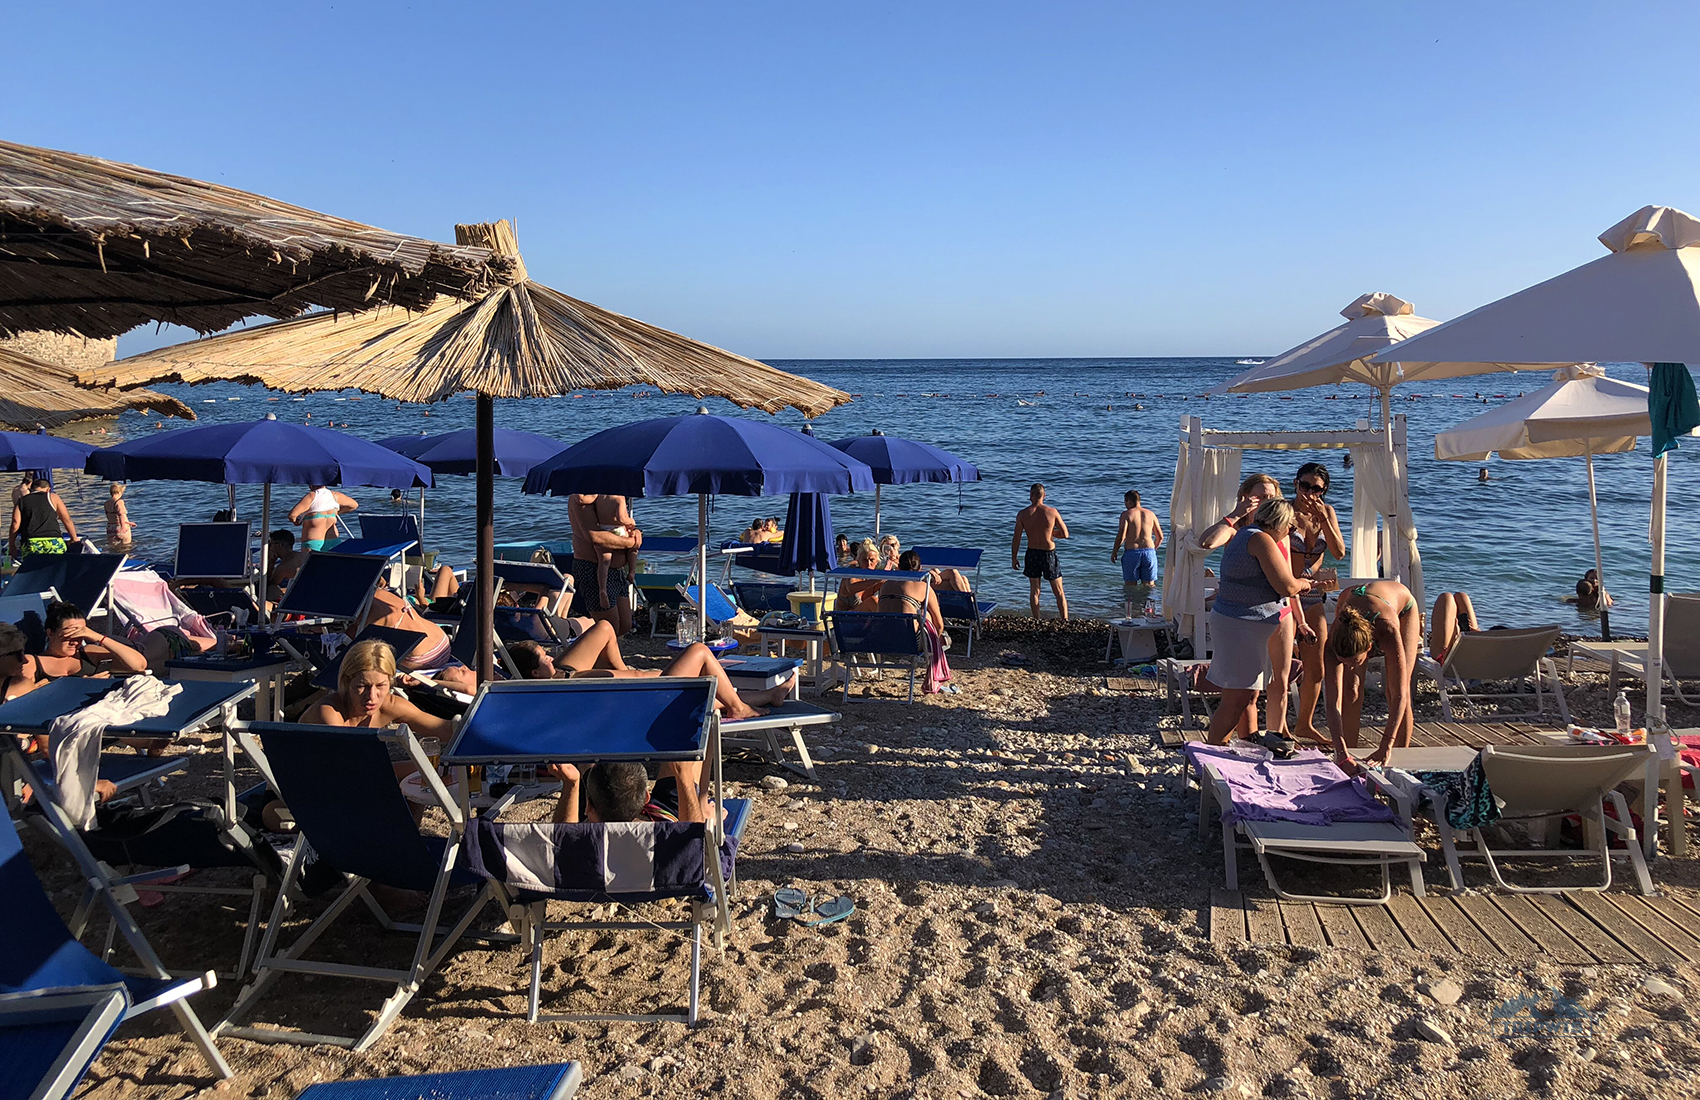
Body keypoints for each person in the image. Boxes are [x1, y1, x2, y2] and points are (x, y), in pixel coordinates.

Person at [1204, 499, 1312, 747]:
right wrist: (1306, 584)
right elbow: (1285, 586)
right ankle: (1213, 755)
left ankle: (1230, 749)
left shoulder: (1245, 534)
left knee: (1247, 693)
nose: (1290, 533)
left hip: (1239, 623)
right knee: (1236, 699)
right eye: (1291, 528)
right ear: (1281, 522)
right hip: (1240, 625)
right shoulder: (1261, 539)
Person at [507, 635, 794, 717]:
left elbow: (605, 628)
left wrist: (622, 669)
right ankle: (738, 707)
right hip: (651, 699)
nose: (550, 655)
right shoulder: (565, 690)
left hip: (647, 684)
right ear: (534, 673)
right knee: (700, 651)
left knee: (604, 626)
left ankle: (770, 695)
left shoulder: (561, 672)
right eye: (544, 657)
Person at [1323, 578, 1422, 769]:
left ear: (1370, 648)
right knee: (1351, 690)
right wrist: (1341, 752)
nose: (1350, 667)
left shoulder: (1387, 629)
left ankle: (1400, 758)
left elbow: (1401, 694)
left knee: (1395, 693)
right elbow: (1332, 702)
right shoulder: (1333, 642)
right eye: (1345, 663)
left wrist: (1385, 745)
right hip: (1351, 611)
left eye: (1354, 662)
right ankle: (1348, 755)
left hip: (1401, 608)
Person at [1288, 463, 1345, 741]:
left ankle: (1304, 723)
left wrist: (1324, 520)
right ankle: (1279, 725)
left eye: (1317, 488)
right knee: (1281, 663)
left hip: (1312, 592)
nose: (1309, 492)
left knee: (1317, 666)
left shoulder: (1327, 513)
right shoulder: (1285, 512)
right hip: (1284, 590)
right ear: (1295, 484)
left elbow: (1339, 552)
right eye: (1305, 485)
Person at [359, 584, 478, 695]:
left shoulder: (483, 688)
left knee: (379, 606)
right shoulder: (489, 675)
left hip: (427, 654)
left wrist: (423, 681)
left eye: (463, 672)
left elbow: (469, 689)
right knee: (380, 604)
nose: (463, 667)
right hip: (431, 652)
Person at [545, 758, 709, 825]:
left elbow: (561, 842)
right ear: (646, 798)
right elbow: (693, 841)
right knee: (686, 753)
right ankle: (703, 804)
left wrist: (571, 785)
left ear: (588, 806)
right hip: (662, 818)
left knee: (593, 769)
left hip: (599, 815)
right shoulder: (666, 837)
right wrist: (684, 777)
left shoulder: (584, 842)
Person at [879, 549, 955, 692]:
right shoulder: (923, 587)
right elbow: (939, 625)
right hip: (909, 642)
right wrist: (935, 642)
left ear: (899, 567)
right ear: (920, 568)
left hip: (884, 640)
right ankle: (933, 675)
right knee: (929, 620)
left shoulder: (885, 585)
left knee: (919, 616)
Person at [567, 494, 641, 632]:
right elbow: (595, 536)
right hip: (593, 567)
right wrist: (632, 542)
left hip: (617, 571)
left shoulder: (604, 495)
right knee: (608, 628)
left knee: (624, 625)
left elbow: (618, 522)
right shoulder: (582, 497)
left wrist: (635, 532)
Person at [30, 601, 149, 681]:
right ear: (50, 633)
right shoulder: (32, 663)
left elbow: (139, 665)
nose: (75, 642)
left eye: (80, 635)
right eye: (69, 635)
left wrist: (99, 637)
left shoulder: (89, 654)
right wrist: (82, 685)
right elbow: (14, 699)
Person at [1011, 483, 1070, 620]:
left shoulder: (1022, 514)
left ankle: (1036, 619)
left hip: (1032, 553)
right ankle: (1064, 620)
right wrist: (1050, 533)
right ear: (1044, 496)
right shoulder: (1052, 512)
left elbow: (1016, 538)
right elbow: (1065, 534)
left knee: (1035, 591)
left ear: (1031, 495)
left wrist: (1014, 557)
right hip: (1048, 553)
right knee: (1059, 591)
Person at [591, 495, 637, 630]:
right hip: (617, 529)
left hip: (602, 530)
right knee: (632, 548)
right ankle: (632, 571)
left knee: (604, 562)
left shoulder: (599, 498)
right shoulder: (619, 498)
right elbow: (622, 518)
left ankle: (602, 589)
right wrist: (631, 521)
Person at [1110, 490, 1163, 603]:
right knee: (1149, 585)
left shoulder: (1126, 514)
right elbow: (1160, 537)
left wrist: (1114, 551)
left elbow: (1122, 535)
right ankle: (1149, 611)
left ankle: (1132, 610)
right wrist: (1152, 550)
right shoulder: (1151, 514)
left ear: (1129, 501)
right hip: (1149, 552)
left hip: (1132, 553)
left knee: (1130, 586)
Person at [10, 478, 76, 557]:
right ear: (48, 489)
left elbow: (15, 523)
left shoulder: (22, 501)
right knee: (56, 567)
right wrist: (74, 538)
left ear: (32, 489)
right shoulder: (53, 497)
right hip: (53, 541)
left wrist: (12, 545)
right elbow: (66, 519)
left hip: (31, 542)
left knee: (33, 568)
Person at [289, 485, 357, 551]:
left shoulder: (311, 496)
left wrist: (297, 522)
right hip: (334, 541)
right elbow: (354, 505)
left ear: (311, 485)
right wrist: (336, 512)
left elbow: (292, 515)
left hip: (314, 542)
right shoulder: (335, 495)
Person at [1427, 589, 1480, 664]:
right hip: (1476, 655)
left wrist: (1454, 638)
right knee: (1461, 597)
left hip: (1449, 660)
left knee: (1446, 598)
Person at [834, 540, 884, 610]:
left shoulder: (874, 575)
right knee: (872, 601)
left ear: (877, 561)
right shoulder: (852, 571)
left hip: (864, 616)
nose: (868, 564)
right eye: (865, 560)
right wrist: (877, 580)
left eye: (872, 560)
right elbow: (851, 588)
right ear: (858, 560)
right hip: (844, 617)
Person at [265, 529, 307, 609]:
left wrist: (271, 562)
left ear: (279, 545)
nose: (270, 547)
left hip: (300, 600)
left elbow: (268, 584)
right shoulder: (304, 555)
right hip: (312, 592)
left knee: (271, 589)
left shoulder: (283, 567)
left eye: (271, 544)